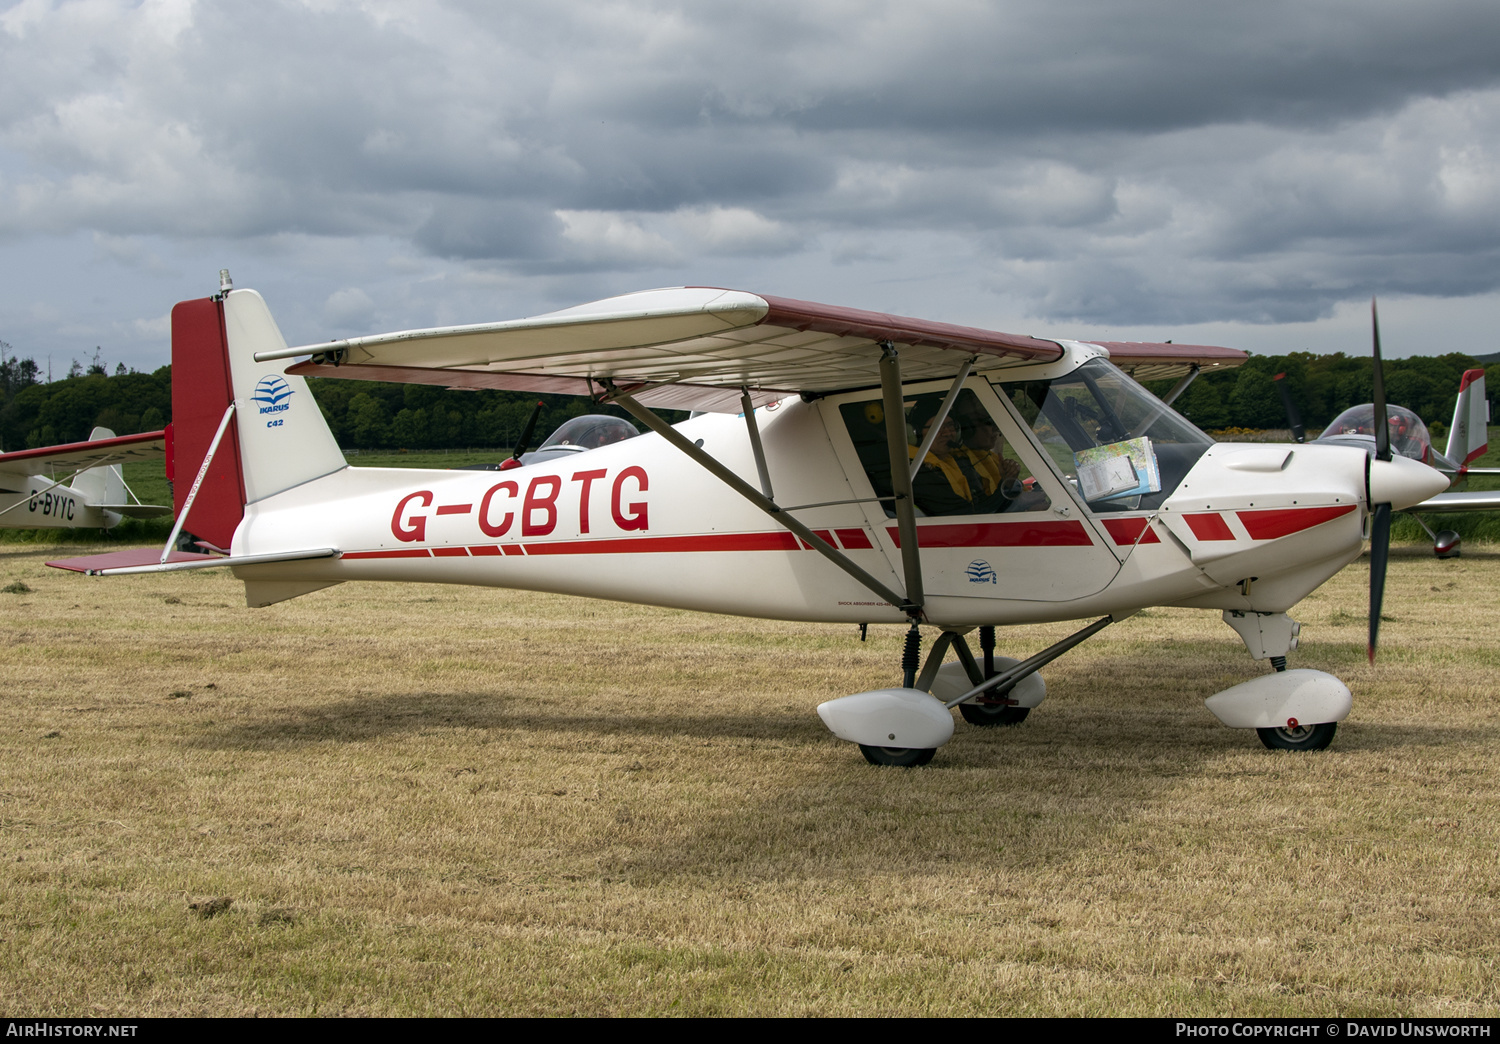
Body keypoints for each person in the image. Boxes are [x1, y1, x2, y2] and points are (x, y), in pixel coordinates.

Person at [908, 400, 1018, 515]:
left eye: (950, 426)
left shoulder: (957, 461)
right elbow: (970, 515)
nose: (947, 433)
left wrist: (1006, 481)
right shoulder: (917, 474)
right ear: (914, 434)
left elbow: (981, 504)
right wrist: (1005, 485)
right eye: (937, 427)